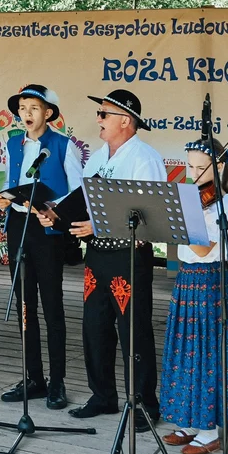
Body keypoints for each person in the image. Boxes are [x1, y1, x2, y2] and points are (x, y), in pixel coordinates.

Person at [68, 89, 166, 431]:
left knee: (133, 329)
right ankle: (103, 395)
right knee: (94, 326)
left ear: (126, 120)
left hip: (128, 252)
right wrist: (57, 212)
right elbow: (84, 197)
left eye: (105, 114)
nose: (99, 119)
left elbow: (148, 211)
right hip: (97, 252)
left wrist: (99, 222)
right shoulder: (96, 157)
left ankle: (144, 402)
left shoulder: (144, 157)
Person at [0, 85, 82, 410]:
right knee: (25, 305)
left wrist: (51, 210)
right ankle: (34, 377)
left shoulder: (63, 145)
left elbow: (78, 193)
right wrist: (3, 196)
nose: (27, 114)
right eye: (22, 108)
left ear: (48, 113)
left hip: (48, 229)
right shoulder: (14, 144)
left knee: (52, 306)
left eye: (33, 108)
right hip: (20, 227)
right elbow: (13, 180)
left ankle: (57, 381)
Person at [160, 138, 228, 454]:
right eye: (190, 166)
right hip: (187, 280)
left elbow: (202, 248)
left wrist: (178, 215)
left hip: (209, 281)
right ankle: (191, 421)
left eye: (201, 167)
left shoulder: (226, 205)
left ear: (219, 167)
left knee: (207, 354)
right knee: (186, 351)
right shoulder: (195, 199)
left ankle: (210, 430)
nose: (193, 174)